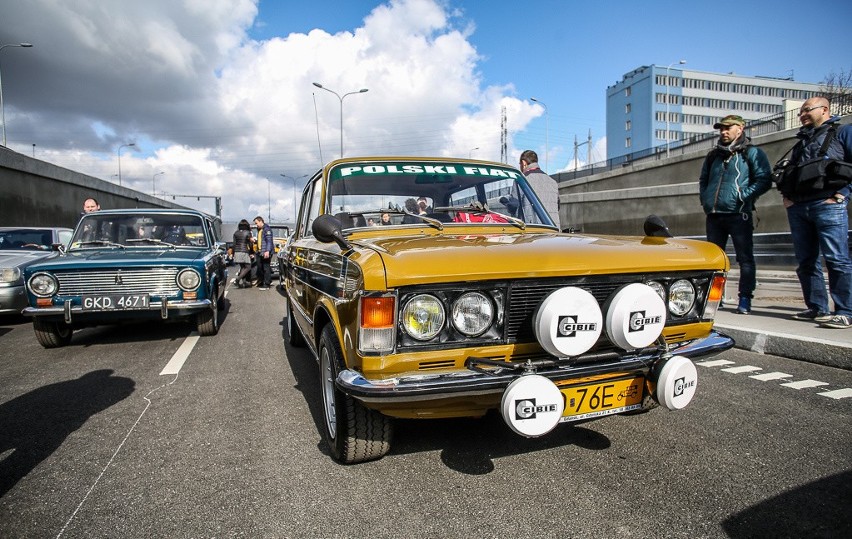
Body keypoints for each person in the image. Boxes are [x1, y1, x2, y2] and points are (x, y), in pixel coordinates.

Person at [777, 96, 852, 329]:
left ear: (825, 109)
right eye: (800, 112)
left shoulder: (842, 132)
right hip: (799, 207)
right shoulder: (801, 141)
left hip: (827, 204)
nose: (802, 115)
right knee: (806, 261)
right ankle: (817, 308)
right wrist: (787, 198)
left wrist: (842, 194)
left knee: (836, 259)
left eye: (807, 110)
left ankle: (845, 311)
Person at [698, 114, 772, 315]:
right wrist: (705, 200)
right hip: (714, 215)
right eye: (721, 128)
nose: (723, 132)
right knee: (714, 260)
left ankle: (745, 299)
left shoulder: (751, 153)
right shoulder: (713, 155)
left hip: (739, 215)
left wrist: (742, 197)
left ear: (740, 128)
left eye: (728, 128)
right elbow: (703, 180)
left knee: (745, 259)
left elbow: (765, 179)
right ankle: (715, 298)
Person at [519, 150, 560, 228]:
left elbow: (515, 206)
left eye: (520, 164)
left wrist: (506, 202)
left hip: (533, 231)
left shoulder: (522, 180)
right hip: (554, 230)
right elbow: (558, 207)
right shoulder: (553, 182)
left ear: (524, 163)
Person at [253, 215, 274, 290]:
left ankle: (267, 284)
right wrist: (254, 241)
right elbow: (261, 241)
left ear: (261, 221)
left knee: (266, 267)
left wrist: (267, 251)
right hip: (260, 252)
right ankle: (265, 280)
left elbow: (269, 241)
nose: (256, 225)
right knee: (260, 267)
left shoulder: (267, 229)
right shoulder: (260, 230)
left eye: (256, 223)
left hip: (265, 252)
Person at [231, 219, 253, 288]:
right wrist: (251, 252)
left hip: (237, 252)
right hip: (244, 251)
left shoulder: (236, 233)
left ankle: (244, 283)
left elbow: (234, 244)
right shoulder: (248, 233)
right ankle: (237, 279)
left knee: (243, 267)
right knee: (248, 267)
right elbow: (250, 244)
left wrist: (233, 253)